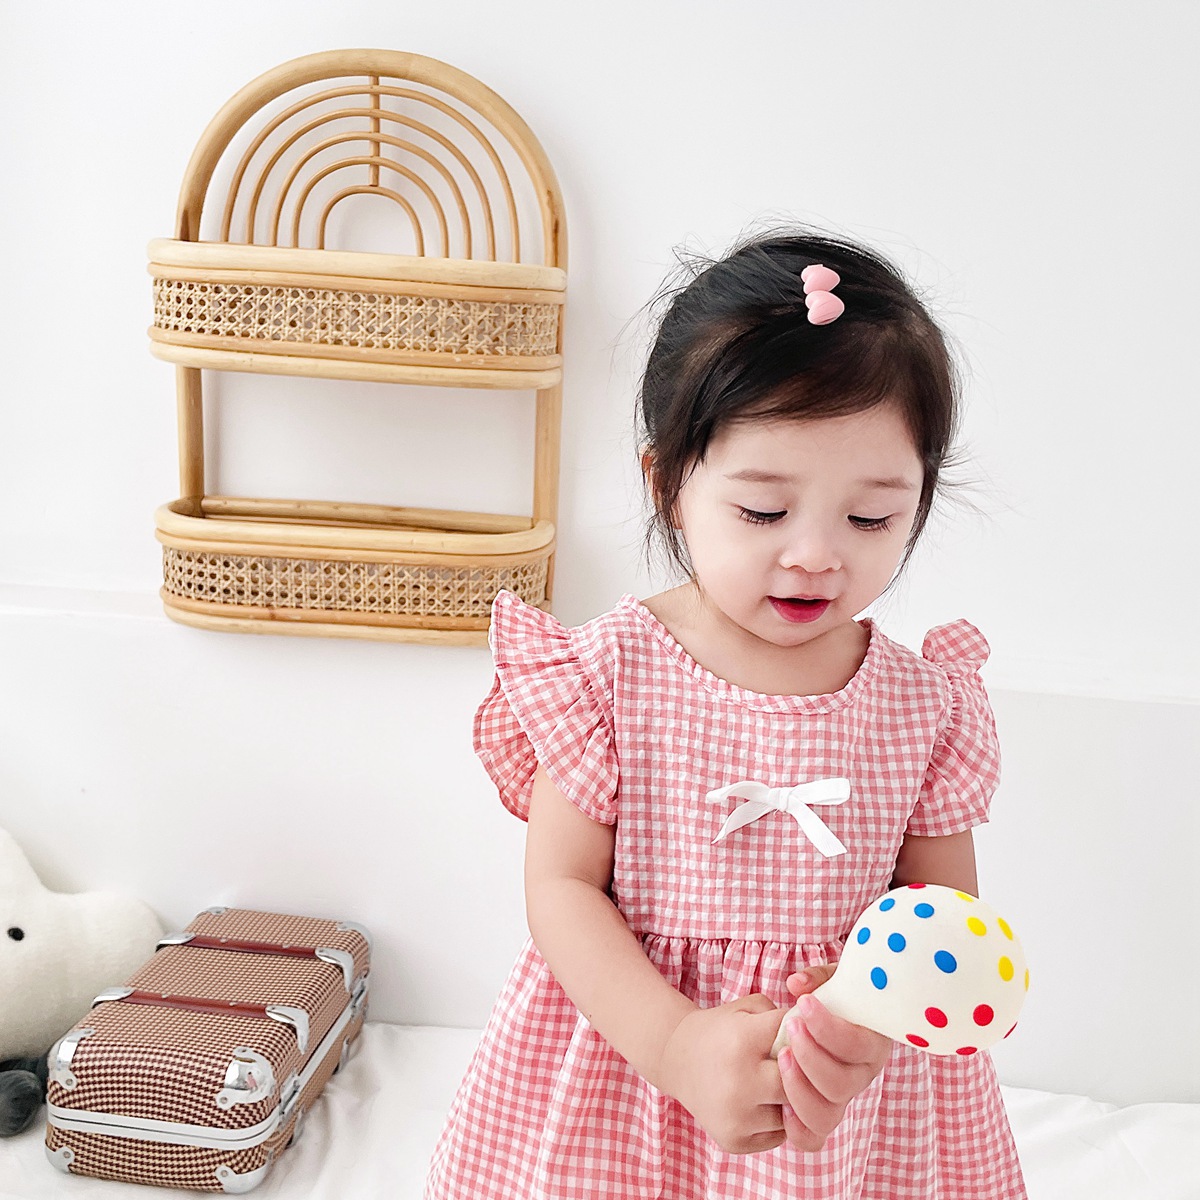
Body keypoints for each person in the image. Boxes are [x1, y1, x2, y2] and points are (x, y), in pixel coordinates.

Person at [425, 230, 1026, 1199]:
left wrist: (864, 1020)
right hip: (632, 1064)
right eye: (763, 512)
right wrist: (674, 1043)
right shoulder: (606, 676)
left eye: (871, 518)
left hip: (843, 1098)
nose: (816, 555)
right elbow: (562, 889)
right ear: (668, 484)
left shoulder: (924, 707)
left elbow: (939, 919)